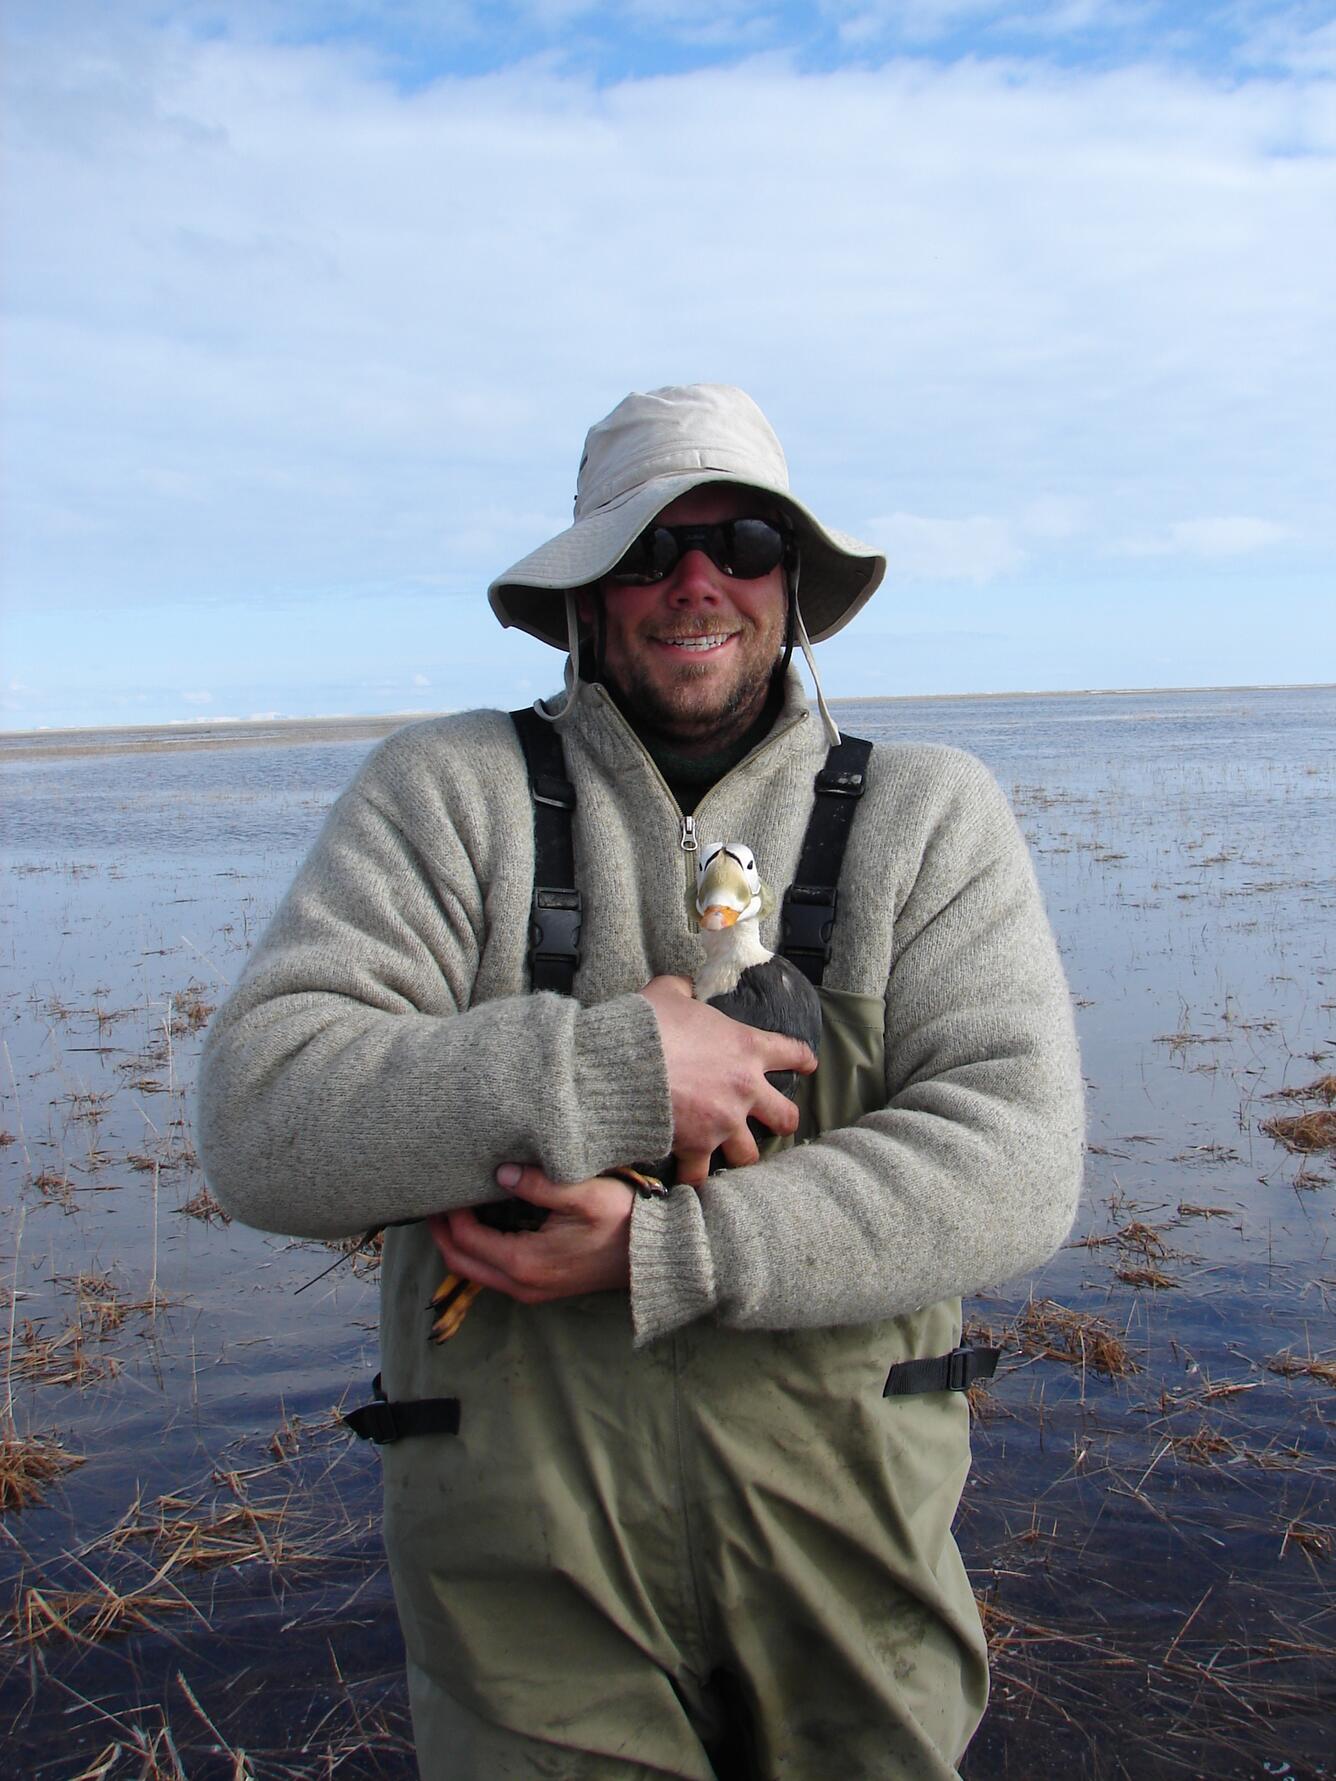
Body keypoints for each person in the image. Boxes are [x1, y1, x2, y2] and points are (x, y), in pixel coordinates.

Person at [198, 383, 1084, 1780]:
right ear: (586, 598)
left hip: (856, 1581)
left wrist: (664, 1249)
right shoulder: (446, 797)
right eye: (645, 547)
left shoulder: (932, 815)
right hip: (525, 1610)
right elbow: (261, 1117)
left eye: (739, 540)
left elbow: (1020, 1157)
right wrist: (616, 1067)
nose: (695, 579)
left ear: (790, 586)